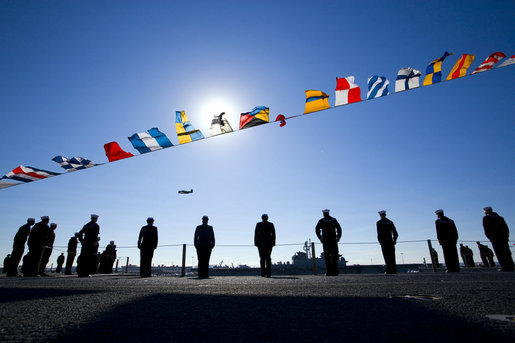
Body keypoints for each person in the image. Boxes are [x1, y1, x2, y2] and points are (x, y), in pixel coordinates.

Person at [482, 206, 514, 272]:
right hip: (503, 237)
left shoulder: (486, 218)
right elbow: (506, 228)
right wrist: (506, 236)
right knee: (506, 252)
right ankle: (511, 266)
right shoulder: (500, 218)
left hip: (495, 237)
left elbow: (486, 230)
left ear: (486, 211)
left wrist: (490, 237)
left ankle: (504, 266)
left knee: (499, 252)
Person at [315, 209, 342, 276]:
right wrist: (338, 237)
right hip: (333, 240)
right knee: (335, 256)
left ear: (324, 214)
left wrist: (320, 237)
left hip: (326, 240)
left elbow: (317, 229)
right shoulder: (333, 220)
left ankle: (329, 271)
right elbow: (339, 228)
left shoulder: (321, 221)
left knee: (327, 256)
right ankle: (335, 271)